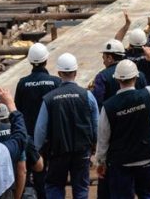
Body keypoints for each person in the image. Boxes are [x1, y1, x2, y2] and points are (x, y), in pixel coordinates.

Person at [95, 47, 150, 199]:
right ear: (136, 77)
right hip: (145, 158)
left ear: (117, 79)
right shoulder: (147, 95)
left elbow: (103, 138)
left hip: (120, 162)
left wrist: (100, 161)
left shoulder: (108, 106)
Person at [33, 53, 99, 199]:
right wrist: (95, 146)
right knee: (81, 188)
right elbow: (96, 125)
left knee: (55, 186)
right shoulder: (87, 96)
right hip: (82, 152)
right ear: (76, 73)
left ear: (59, 73)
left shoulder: (49, 99)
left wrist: (36, 152)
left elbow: (40, 130)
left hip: (57, 153)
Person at [15, 42, 61, 199]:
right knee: (51, 176)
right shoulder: (55, 82)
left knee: (29, 174)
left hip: (29, 139)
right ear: (46, 60)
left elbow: (17, 112)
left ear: (30, 61)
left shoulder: (22, 83)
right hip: (51, 138)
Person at [92, 40, 145, 109]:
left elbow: (96, 102)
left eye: (104, 58)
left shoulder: (102, 77)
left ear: (109, 58)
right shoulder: (138, 73)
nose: (103, 62)